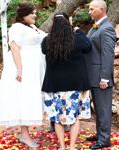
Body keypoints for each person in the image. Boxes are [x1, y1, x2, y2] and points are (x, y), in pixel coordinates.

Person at [0, 2, 46, 148]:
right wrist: (20, 69)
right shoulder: (16, 27)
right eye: (32, 13)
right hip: (25, 67)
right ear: (23, 15)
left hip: (35, 68)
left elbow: (44, 38)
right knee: (24, 98)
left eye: (35, 13)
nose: (35, 15)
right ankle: (24, 134)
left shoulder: (32, 27)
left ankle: (25, 132)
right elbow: (15, 48)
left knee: (31, 97)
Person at [41, 12, 92, 150]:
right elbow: (88, 46)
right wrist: (79, 32)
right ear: (68, 23)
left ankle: (62, 147)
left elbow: (44, 50)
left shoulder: (47, 41)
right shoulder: (78, 39)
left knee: (57, 118)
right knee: (75, 118)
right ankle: (72, 147)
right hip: (76, 86)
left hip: (55, 86)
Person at [85, 0, 116, 149]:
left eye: (92, 9)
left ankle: (104, 140)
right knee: (98, 107)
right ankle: (100, 134)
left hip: (101, 77)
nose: (89, 12)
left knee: (103, 108)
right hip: (93, 75)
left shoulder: (107, 29)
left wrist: (105, 77)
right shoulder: (97, 26)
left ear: (102, 9)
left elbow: (108, 55)